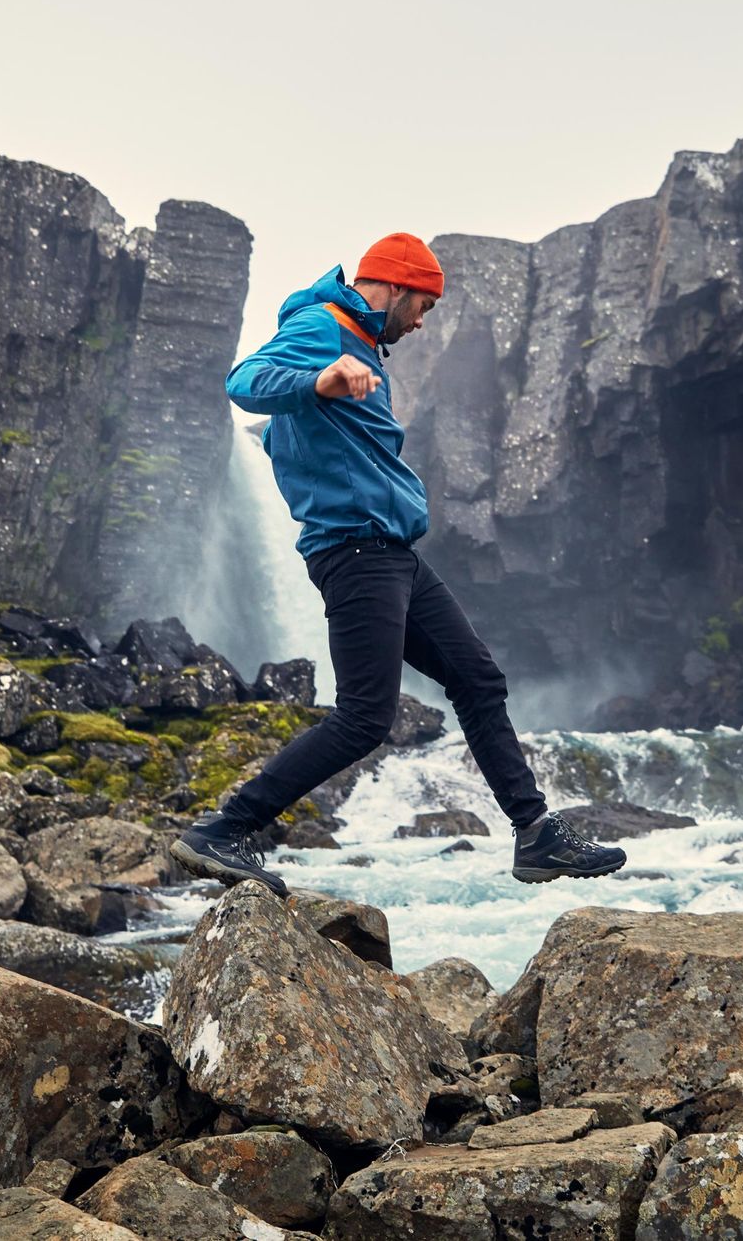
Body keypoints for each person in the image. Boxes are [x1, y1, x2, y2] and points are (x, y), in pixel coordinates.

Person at [172, 232, 625, 896]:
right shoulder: (320, 327)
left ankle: (536, 836)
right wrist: (319, 380)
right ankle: (223, 829)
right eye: (422, 305)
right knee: (364, 717)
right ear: (389, 286)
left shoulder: (362, 343)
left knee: (477, 677)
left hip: (392, 552)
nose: (421, 323)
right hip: (353, 551)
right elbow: (243, 382)